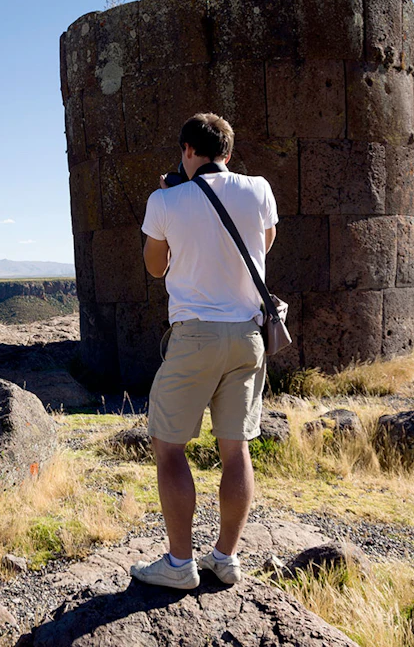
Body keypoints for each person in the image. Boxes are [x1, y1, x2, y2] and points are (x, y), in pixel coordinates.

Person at [129, 112, 277, 589]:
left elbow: (155, 267)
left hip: (195, 335)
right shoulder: (260, 189)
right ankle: (226, 557)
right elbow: (264, 243)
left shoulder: (165, 200)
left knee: (169, 446)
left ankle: (179, 564)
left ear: (188, 150)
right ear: (228, 154)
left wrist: (172, 201)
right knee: (235, 449)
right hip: (248, 335)